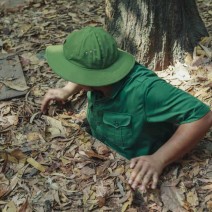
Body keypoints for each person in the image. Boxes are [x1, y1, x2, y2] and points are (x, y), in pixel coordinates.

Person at [41, 26, 212, 192]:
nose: (71, 77)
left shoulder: (146, 90)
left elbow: (202, 116)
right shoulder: (101, 74)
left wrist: (159, 159)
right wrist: (68, 89)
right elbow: (88, 68)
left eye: (74, 74)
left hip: (134, 163)